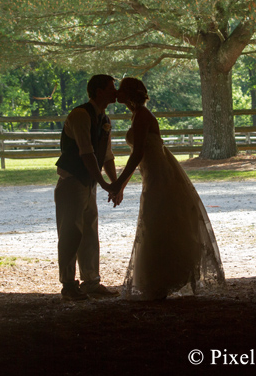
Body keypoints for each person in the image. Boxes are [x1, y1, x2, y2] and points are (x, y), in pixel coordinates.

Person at [107, 77, 225, 300]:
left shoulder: (142, 115)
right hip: (152, 173)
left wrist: (118, 182)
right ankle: (158, 279)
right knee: (154, 222)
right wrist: (121, 184)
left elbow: (138, 152)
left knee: (157, 221)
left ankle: (162, 279)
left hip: (160, 175)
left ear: (130, 94)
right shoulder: (137, 114)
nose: (116, 93)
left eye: (120, 89)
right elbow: (139, 155)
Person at [54, 74, 123, 301]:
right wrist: (106, 184)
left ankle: (91, 281)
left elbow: (107, 156)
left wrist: (116, 185)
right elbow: (86, 153)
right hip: (72, 181)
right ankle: (68, 285)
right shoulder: (80, 115)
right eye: (112, 88)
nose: (116, 92)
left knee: (90, 232)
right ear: (99, 91)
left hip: (87, 182)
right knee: (71, 233)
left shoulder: (104, 119)